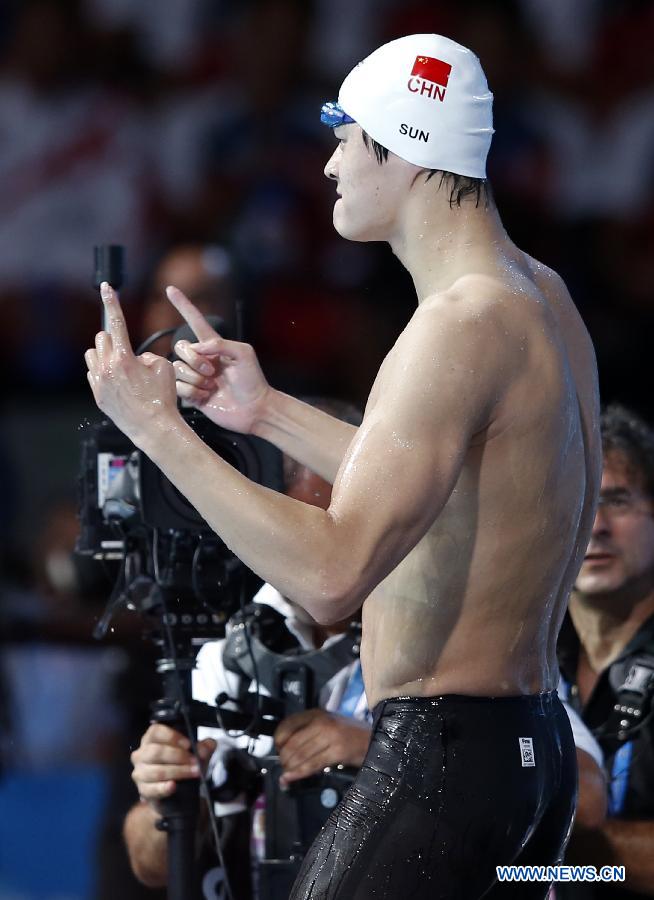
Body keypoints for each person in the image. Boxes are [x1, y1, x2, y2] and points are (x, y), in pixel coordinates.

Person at [85, 32, 600, 899]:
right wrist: (265, 413)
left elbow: (330, 576)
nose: (327, 165)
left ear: (400, 147)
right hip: (529, 757)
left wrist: (158, 431)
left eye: (343, 135)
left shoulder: (455, 327)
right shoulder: (538, 295)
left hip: (441, 770)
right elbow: (453, 491)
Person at [123, 403, 371, 899]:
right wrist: (165, 797)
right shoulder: (226, 655)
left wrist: (378, 753)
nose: (326, 557)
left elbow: (565, 794)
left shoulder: (445, 635)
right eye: (310, 528)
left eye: (346, 531)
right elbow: (150, 865)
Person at [557, 404, 654, 898]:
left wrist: (544, 852)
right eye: (577, 501)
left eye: (616, 501)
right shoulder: (520, 656)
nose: (595, 525)